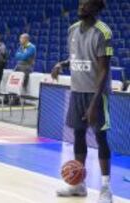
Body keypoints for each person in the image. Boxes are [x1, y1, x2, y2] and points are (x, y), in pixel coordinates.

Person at [51, 0, 113, 202]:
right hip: (77, 91)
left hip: (96, 94)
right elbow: (78, 57)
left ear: (96, 8)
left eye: (86, 4)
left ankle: (105, 189)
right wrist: (62, 63)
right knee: (78, 135)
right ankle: (79, 184)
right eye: (80, 3)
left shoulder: (103, 32)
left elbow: (104, 69)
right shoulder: (72, 30)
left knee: (100, 138)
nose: (81, 7)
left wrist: (95, 103)